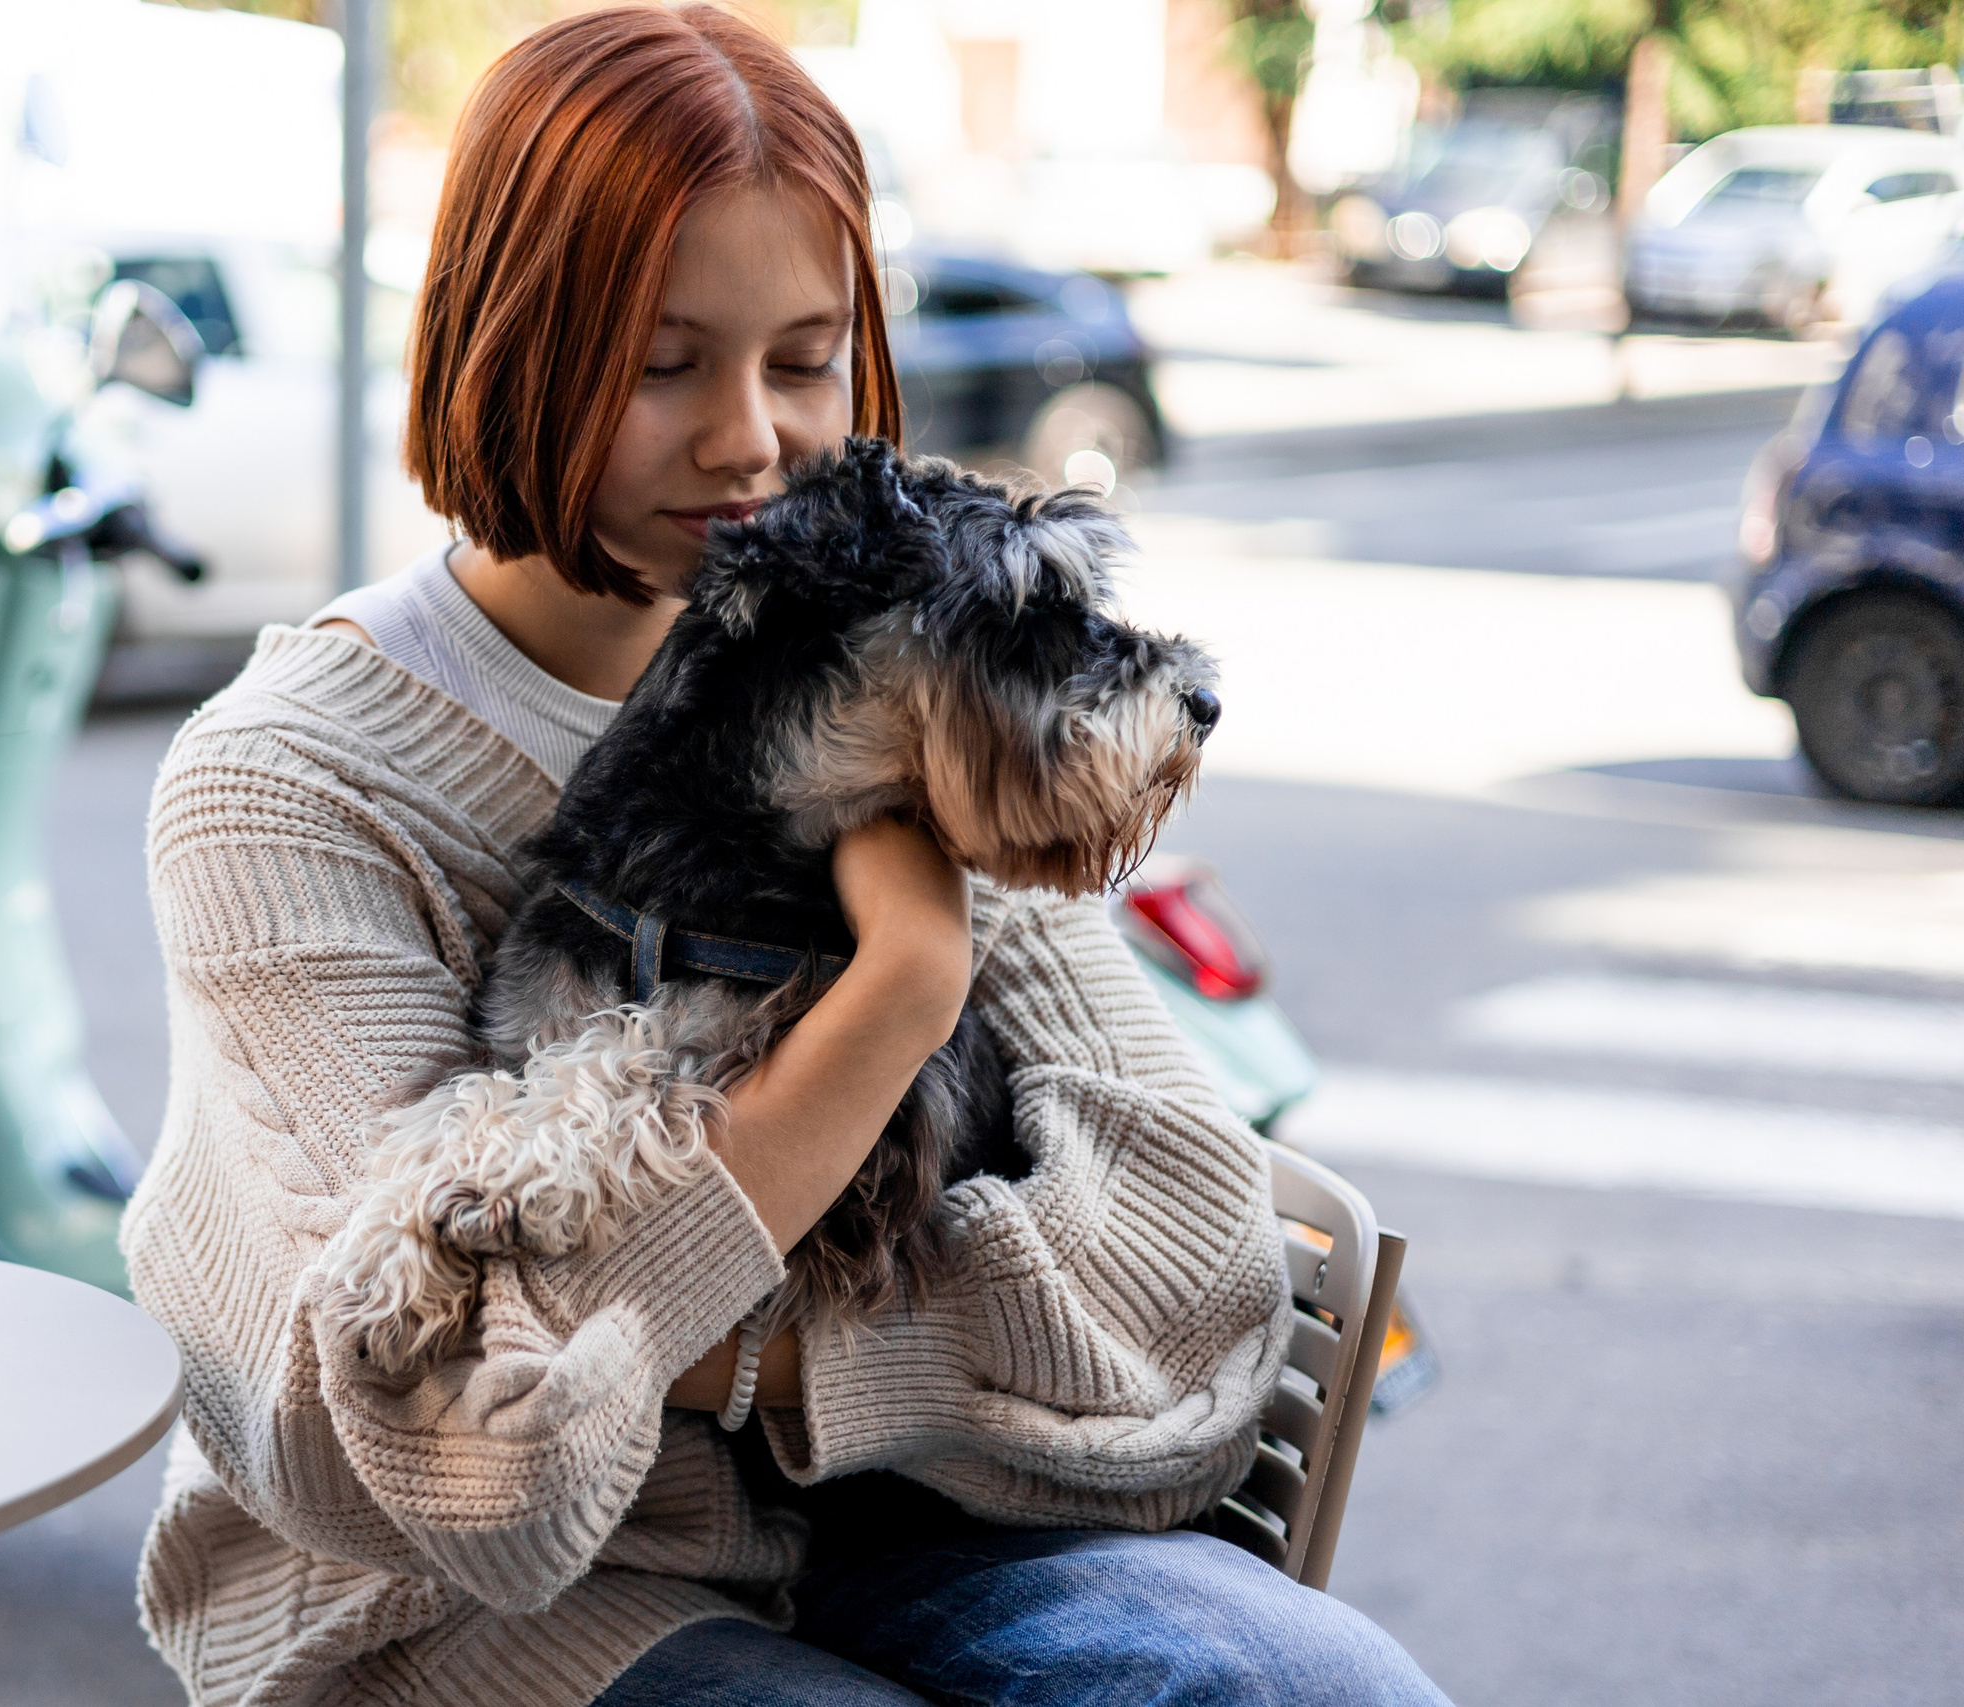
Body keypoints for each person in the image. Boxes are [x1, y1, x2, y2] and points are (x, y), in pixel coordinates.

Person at [120, 8, 1452, 1705]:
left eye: (806, 358)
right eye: (665, 363)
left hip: (888, 1527)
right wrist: (899, 991)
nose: (749, 439)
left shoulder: (877, 680)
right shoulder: (287, 787)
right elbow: (468, 1451)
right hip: (453, 1617)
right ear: (512, 345)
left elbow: (1196, 1277)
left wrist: (749, 1363)